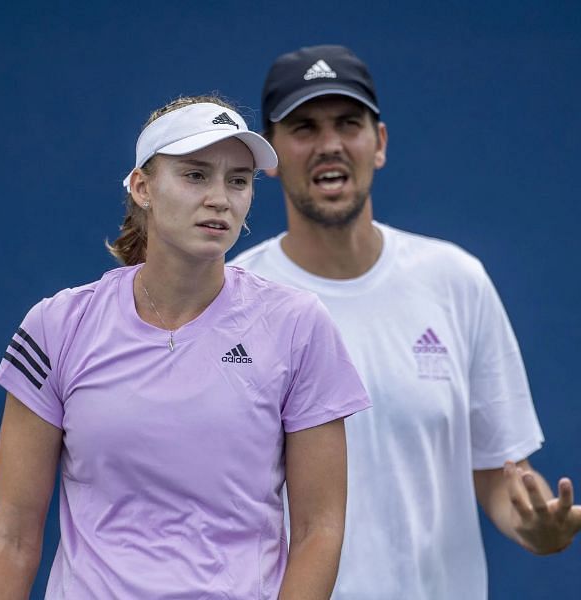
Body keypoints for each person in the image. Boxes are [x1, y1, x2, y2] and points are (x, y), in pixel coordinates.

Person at [229, 44, 581, 599]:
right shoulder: (232, 300)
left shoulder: (456, 280)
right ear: (270, 155)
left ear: (380, 143)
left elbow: (499, 469)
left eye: (349, 123)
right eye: (304, 127)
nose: (329, 145)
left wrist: (537, 526)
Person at [0, 96, 372, 599]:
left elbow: (318, 531)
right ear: (143, 187)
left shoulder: (298, 325)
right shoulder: (57, 325)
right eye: (195, 175)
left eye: (238, 180)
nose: (220, 198)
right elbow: (10, 534)